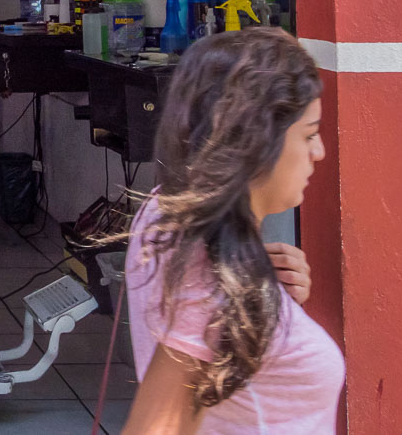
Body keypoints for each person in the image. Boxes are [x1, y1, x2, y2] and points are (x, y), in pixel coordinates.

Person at [120, 29, 340, 434]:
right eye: (308, 134)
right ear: (256, 137)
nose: (319, 151)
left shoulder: (169, 214)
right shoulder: (203, 261)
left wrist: (264, 292)